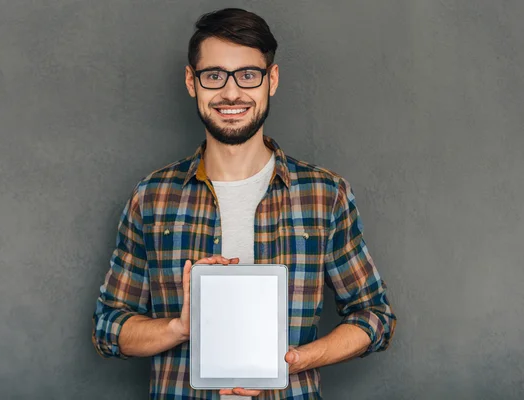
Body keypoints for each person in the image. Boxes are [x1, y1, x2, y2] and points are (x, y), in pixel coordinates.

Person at [92, 7, 397, 400]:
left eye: (248, 75)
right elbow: (108, 328)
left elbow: (375, 316)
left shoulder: (324, 195)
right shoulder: (152, 197)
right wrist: (180, 328)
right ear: (192, 81)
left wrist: (298, 360)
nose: (231, 92)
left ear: (271, 80)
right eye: (214, 75)